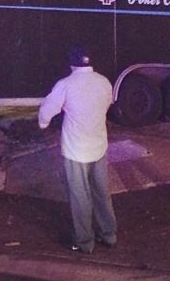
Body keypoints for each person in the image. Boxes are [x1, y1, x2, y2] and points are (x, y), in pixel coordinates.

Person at [38, 44, 117, 253]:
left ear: (71, 63)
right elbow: (108, 103)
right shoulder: (104, 82)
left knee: (80, 194)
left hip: (75, 149)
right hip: (99, 146)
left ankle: (85, 242)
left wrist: (43, 124)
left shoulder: (65, 85)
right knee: (101, 191)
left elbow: (47, 111)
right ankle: (109, 234)